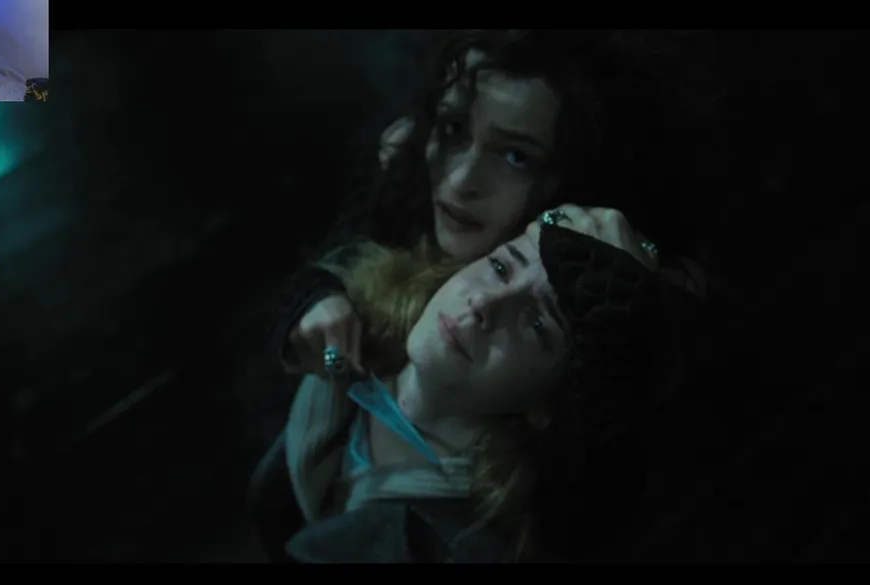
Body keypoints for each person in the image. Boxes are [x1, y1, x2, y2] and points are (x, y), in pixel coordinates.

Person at [249, 204, 701, 562]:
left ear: (548, 404)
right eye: (502, 267)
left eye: (536, 324)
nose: (484, 302)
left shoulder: (461, 544)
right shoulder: (356, 318)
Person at [270, 30, 702, 379]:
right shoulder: (406, 170)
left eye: (516, 156)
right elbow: (334, 257)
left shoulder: (599, 319)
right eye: (454, 128)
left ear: (572, 178)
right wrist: (315, 298)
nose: (462, 181)